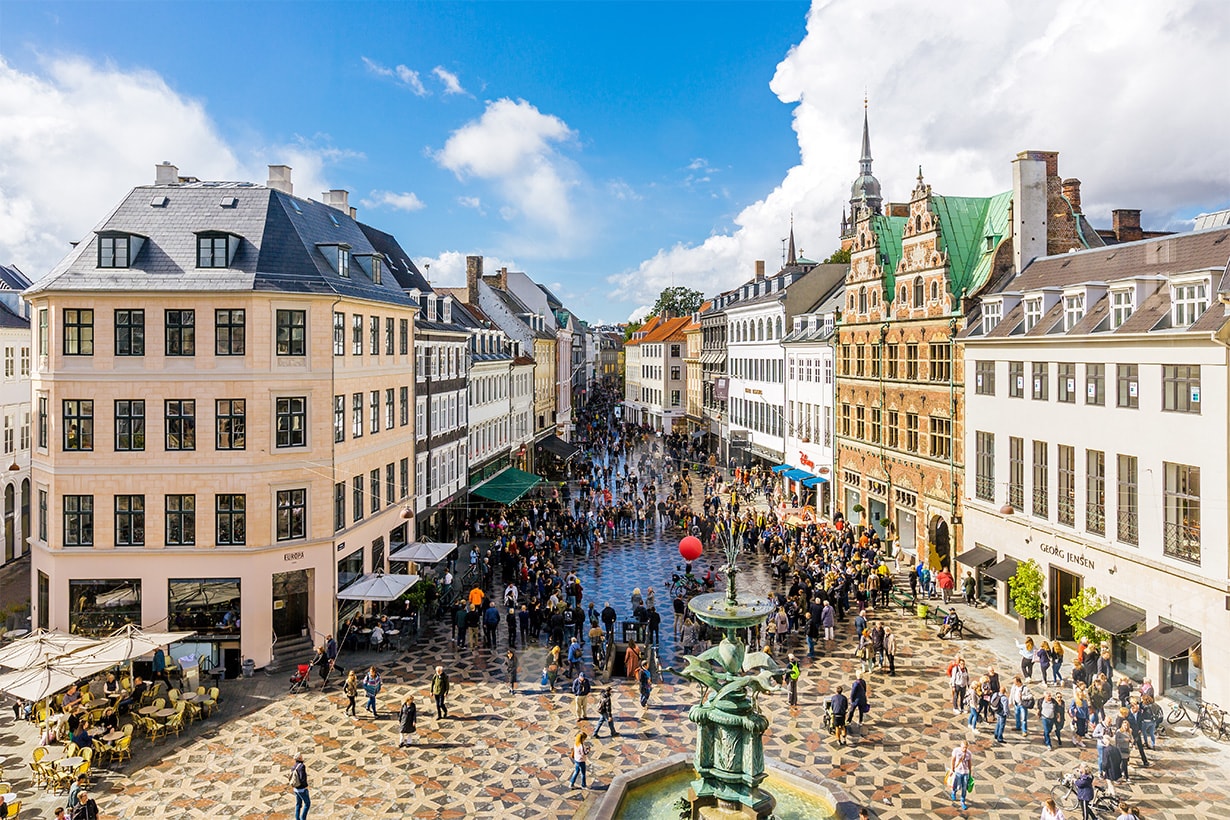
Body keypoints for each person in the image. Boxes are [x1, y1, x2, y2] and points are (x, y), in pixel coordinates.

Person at [948, 739, 973, 811]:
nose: (964, 749)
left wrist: (970, 772)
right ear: (960, 746)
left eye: (966, 747)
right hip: (958, 771)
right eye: (963, 747)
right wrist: (952, 770)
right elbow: (953, 760)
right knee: (957, 784)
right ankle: (954, 791)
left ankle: (962, 800)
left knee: (964, 787)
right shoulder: (956, 751)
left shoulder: (969, 753)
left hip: (965, 772)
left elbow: (969, 763)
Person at [290, 753, 310, 820]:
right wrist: (306, 786)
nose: (302, 757)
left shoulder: (293, 767)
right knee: (307, 804)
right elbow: (302, 778)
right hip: (302, 789)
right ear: (299, 758)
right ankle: (303, 818)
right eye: (301, 756)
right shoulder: (302, 766)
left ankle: (297, 818)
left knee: (298, 804)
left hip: (295, 789)